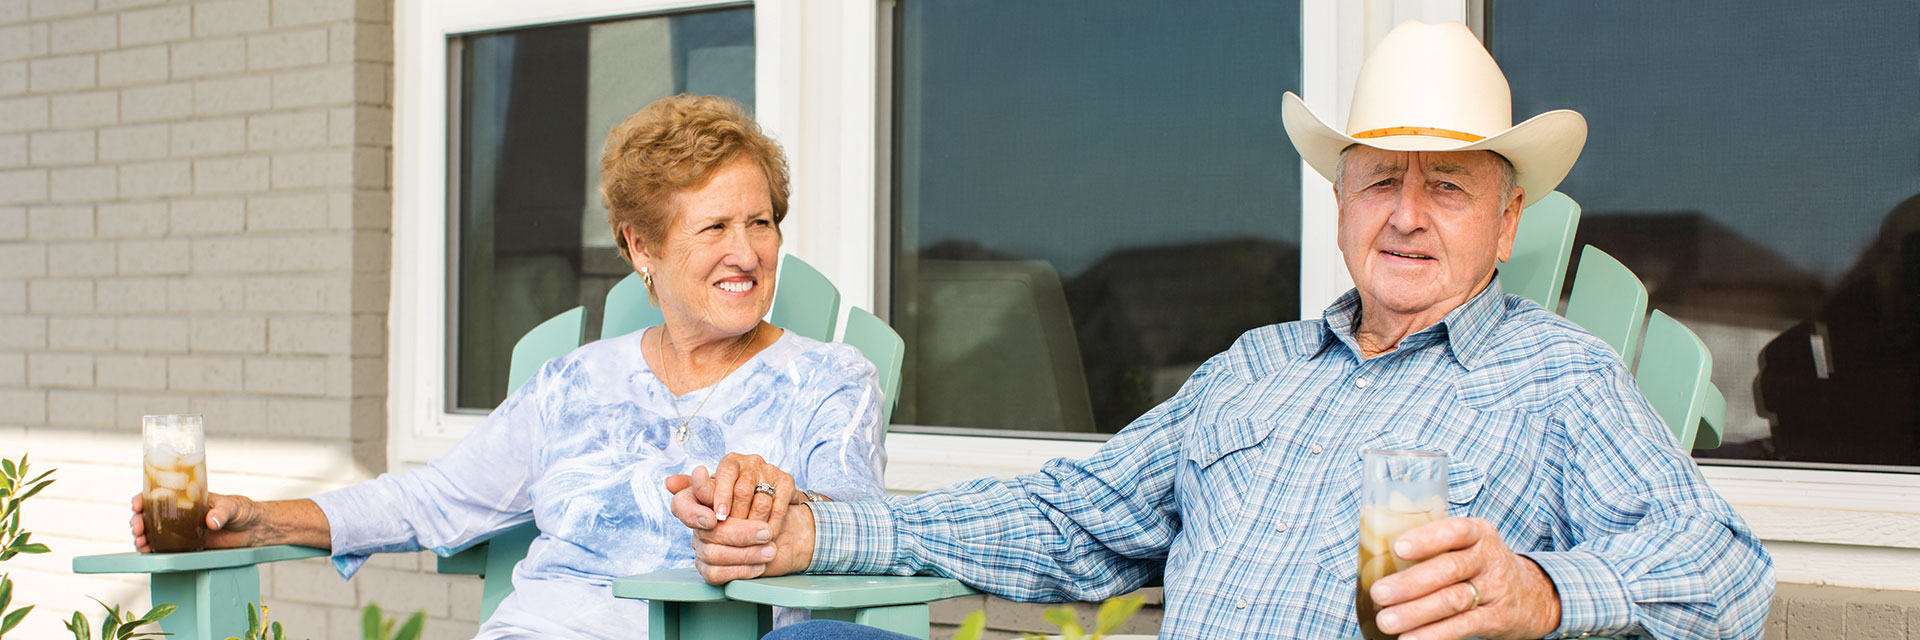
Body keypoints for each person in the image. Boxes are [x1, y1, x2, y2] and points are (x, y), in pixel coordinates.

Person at [672, 22, 1774, 640]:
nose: (1405, 214)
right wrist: (819, 533)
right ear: (1340, 202)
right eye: (1380, 179)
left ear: (1508, 219)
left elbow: (1724, 570)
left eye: (1447, 185)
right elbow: (1067, 517)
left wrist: (1541, 591)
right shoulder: (1255, 369)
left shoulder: (1559, 378)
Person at [127, 94, 888, 639]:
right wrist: (259, 518)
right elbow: (434, 501)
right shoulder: (574, 383)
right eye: (714, 227)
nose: (746, 252)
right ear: (641, 248)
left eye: (761, 223)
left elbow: (854, 525)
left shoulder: (829, 380)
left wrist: (787, 504)